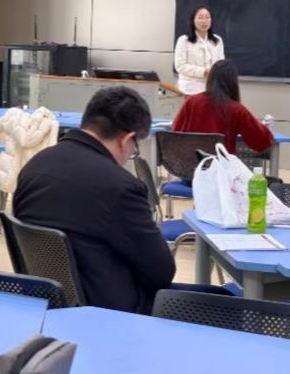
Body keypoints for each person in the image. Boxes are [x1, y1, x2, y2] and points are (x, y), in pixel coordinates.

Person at [12, 86, 177, 314]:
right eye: (134, 149)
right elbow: (161, 272)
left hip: (45, 306)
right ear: (126, 139)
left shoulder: (34, 167)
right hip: (109, 314)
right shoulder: (121, 187)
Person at [171, 60, 273, 154]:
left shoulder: (191, 102)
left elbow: (175, 133)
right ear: (233, 82)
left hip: (191, 165)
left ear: (210, 79)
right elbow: (262, 142)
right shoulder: (237, 110)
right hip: (221, 166)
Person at [174, 6, 224, 95]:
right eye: (200, 18)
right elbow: (180, 66)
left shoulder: (217, 40)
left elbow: (221, 64)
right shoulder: (184, 40)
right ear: (193, 20)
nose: (204, 21)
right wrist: (204, 71)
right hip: (190, 88)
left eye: (207, 17)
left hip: (212, 88)